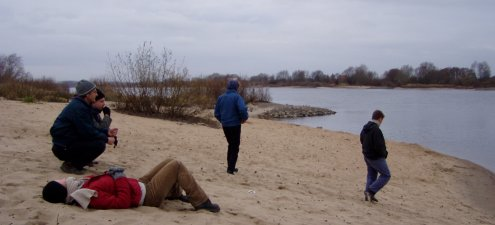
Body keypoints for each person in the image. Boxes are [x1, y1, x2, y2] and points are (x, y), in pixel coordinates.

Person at [42, 158, 220, 213]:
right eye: (61, 182)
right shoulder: (86, 194)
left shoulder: (80, 186)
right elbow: (122, 202)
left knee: (170, 160)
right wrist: (119, 178)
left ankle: (173, 193)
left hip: (138, 185)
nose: (64, 179)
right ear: (63, 189)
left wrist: (112, 174)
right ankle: (201, 201)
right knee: (177, 166)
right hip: (147, 196)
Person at [50, 80, 118, 175]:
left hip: (65, 143)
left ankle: (80, 161)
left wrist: (107, 132)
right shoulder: (79, 108)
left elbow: (91, 127)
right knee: (99, 144)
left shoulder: (83, 106)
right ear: (87, 94)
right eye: (94, 91)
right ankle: (71, 165)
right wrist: (106, 138)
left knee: (97, 140)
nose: (96, 93)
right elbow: (88, 132)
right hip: (62, 147)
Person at [214, 79, 249, 175]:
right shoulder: (237, 97)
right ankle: (230, 168)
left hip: (225, 125)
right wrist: (244, 118)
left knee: (231, 145)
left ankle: (231, 166)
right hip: (235, 125)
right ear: (236, 87)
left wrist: (223, 120)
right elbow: (242, 109)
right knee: (235, 146)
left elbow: (216, 113)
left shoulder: (221, 97)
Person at [360, 110, 391, 203]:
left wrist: (366, 150)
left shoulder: (365, 127)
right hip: (375, 157)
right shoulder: (376, 130)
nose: (382, 122)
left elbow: (362, 139)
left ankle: (368, 194)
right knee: (386, 175)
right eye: (382, 120)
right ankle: (371, 191)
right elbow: (379, 146)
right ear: (380, 118)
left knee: (371, 174)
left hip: (367, 155)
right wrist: (384, 154)